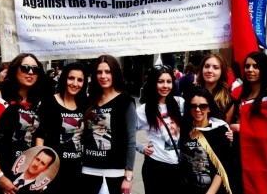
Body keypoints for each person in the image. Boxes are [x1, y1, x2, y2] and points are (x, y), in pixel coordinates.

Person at [0, 53, 46, 194]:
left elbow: (38, 137)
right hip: (1, 173)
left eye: (35, 69)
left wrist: (39, 174)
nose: (30, 72)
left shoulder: (38, 99)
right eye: (25, 68)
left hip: (25, 175)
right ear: (15, 70)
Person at [81, 54, 137, 194]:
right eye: (99, 72)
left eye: (108, 71)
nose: (103, 76)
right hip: (88, 170)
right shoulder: (89, 101)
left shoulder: (126, 101)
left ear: (115, 73)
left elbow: (131, 140)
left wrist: (128, 176)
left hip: (115, 173)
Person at [35, 62, 88, 193]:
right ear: (64, 78)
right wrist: (39, 172)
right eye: (71, 78)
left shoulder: (85, 104)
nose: (75, 84)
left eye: (80, 80)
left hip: (77, 170)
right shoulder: (50, 101)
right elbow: (40, 136)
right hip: (53, 170)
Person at [136, 64, 185, 194]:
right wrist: (141, 148)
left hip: (178, 166)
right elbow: (125, 133)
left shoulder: (180, 103)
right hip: (155, 166)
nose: (165, 86)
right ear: (153, 83)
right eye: (160, 81)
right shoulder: (144, 110)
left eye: (169, 81)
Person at [180, 86, 233, 194]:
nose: (198, 110)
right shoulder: (185, 128)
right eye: (193, 106)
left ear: (209, 108)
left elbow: (222, 167)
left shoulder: (220, 130)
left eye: (203, 106)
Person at [230, 51, 267, 194]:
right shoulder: (238, 94)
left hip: (261, 157)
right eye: (247, 66)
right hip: (238, 156)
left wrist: (241, 128)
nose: (250, 70)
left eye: (255, 66)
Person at [196, 53, 235, 124]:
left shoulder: (228, 100)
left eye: (215, 67)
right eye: (207, 66)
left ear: (222, 72)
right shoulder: (191, 92)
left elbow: (225, 129)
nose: (209, 70)